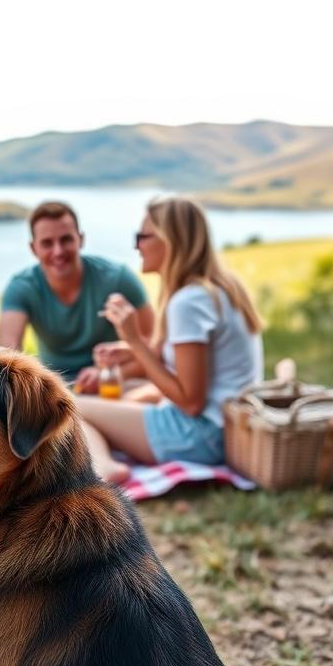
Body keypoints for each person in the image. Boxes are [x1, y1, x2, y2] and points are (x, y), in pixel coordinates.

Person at [76, 196, 263, 483]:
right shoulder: (217, 288)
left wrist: (136, 341)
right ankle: (108, 447)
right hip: (228, 428)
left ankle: (105, 469)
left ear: (170, 240)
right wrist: (129, 349)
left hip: (201, 437)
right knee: (124, 389)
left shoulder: (189, 302)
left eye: (142, 236)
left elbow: (190, 403)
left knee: (71, 406)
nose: (136, 245)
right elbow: (187, 361)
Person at [0, 201, 155, 392]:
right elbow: (8, 358)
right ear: (33, 248)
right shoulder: (21, 288)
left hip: (113, 383)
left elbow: (154, 350)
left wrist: (106, 374)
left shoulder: (118, 279)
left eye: (66, 240)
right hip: (56, 393)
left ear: (81, 239)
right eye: (47, 243)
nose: (58, 251)